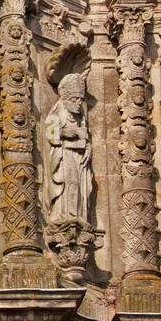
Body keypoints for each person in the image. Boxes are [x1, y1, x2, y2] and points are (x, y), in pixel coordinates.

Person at [45, 73, 93, 224]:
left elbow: (85, 138)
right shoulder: (57, 114)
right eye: (74, 99)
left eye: (81, 99)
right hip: (65, 155)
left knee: (81, 187)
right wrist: (64, 133)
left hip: (79, 158)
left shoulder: (81, 120)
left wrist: (89, 148)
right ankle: (68, 215)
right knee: (71, 183)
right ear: (65, 101)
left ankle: (78, 214)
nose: (79, 103)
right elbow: (51, 134)